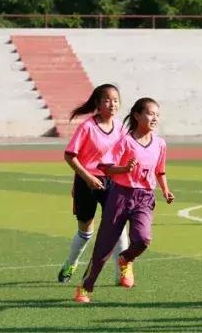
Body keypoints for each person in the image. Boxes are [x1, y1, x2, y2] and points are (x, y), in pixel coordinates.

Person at [74, 98, 174, 303]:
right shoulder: (125, 141)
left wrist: (165, 190)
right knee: (104, 246)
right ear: (137, 116)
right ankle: (85, 287)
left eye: (157, 114)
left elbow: (160, 170)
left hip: (144, 196)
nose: (154, 118)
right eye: (150, 113)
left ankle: (125, 259)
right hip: (120, 195)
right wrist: (124, 169)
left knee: (143, 239)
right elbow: (105, 166)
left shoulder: (160, 143)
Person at [58, 84, 129, 284]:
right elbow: (70, 156)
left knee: (118, 226)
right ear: (97, 103)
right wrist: (87, 178)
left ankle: (122, 273)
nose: (112, 104)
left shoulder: (122, 128)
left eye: (115, 100)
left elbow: (125, 156)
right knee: (86, 232)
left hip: (112, 182)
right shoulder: (87, 127)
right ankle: (70, 264)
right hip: (86, 182)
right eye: (107, 100)